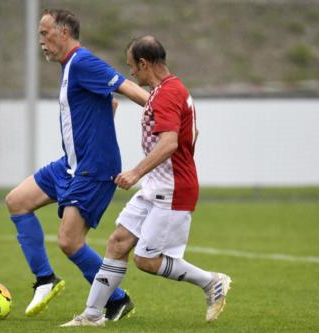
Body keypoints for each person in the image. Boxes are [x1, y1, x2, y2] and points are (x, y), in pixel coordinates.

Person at [61, 36, 232, 327]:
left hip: (172, 188)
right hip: (158, 184)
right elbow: (192, 133)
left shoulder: (166, 94)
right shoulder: (169, 88)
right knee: (117, 243)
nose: (130, 74)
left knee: (146, 260)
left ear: (144, 63)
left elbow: (169, 143)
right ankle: (91, 316)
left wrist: (136, 172)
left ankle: (210, 282)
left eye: (132, 67)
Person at [5, 9, 149, 320]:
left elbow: (127, 89)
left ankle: (117, 300)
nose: (41, 41)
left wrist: (165, 110)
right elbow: (108, 102)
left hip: (94, 167)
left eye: (45, 34)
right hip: (70, 164)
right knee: (16, 201)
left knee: (69, 241)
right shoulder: (69, 67)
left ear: (65, 33)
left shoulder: (82, 61)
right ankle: (45, 280)